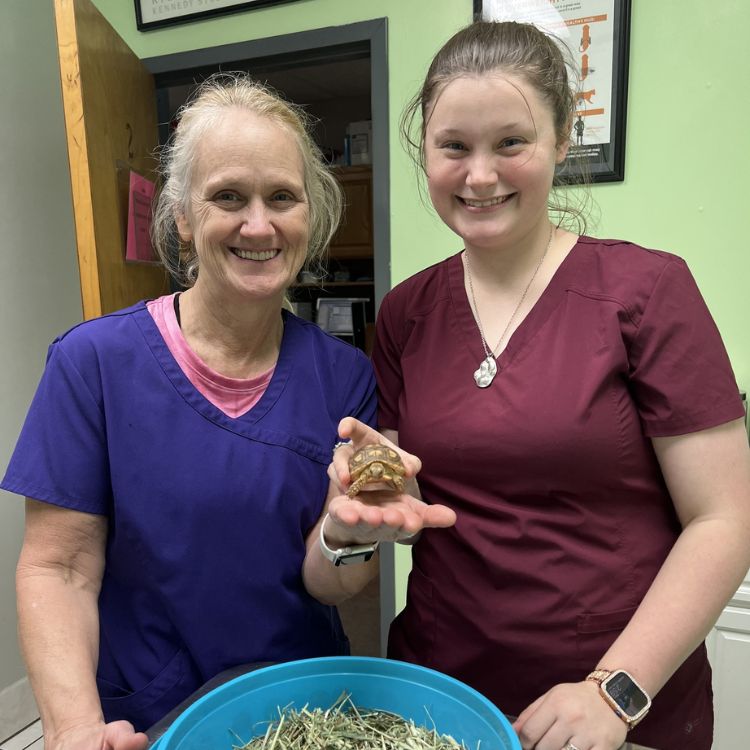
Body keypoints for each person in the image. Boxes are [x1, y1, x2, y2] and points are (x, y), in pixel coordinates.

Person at [1, 73, 449, 750]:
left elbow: (334, 588)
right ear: (183, 216)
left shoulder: (344, 378)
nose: (259, 224)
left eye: (282, 198)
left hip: (299, 716)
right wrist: (71, 729)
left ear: (311, 214)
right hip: (151, 717)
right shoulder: (92, 364)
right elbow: (56, 569)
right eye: (228, 197)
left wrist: (349, 532)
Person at [362, 20, 750, 750]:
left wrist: (616, 691)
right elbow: (390, 489)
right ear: (426, 152)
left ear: (563, 138)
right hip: (441, 698)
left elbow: (725, 520)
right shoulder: (406, 313)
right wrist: (362, 500)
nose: (480, 176)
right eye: (454, 147)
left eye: (511, 142)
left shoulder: (647, 291)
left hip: (615, 709)